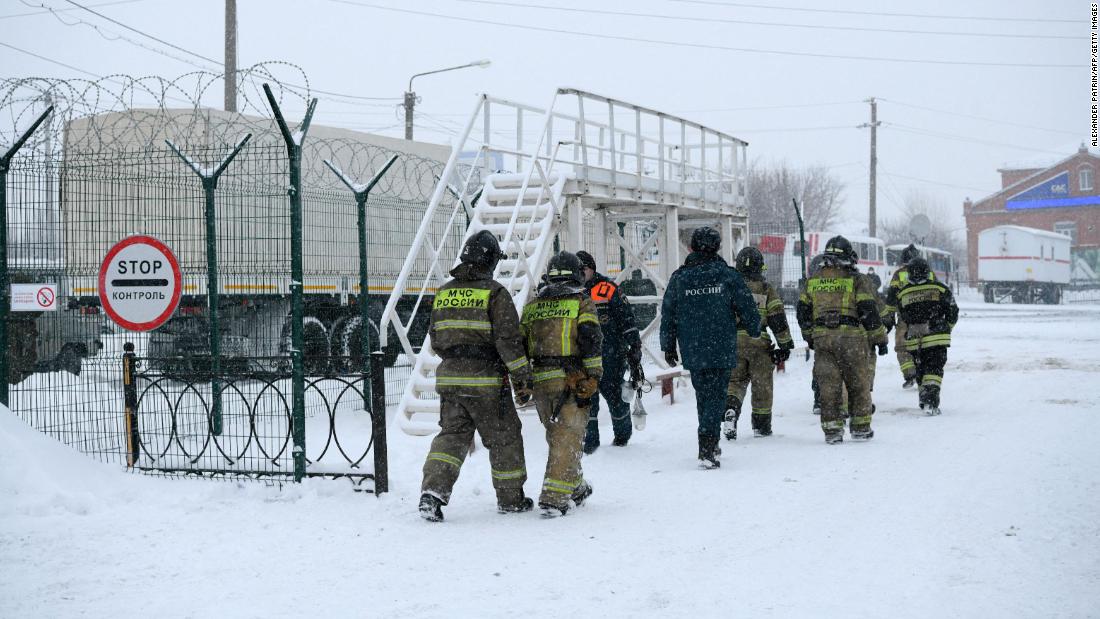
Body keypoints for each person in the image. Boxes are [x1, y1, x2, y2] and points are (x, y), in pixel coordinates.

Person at [418, 231, 535, 522]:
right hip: (486, 382)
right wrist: (522, 376)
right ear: (490, 260)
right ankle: (510, 499)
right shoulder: (495, 293)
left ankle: (432, 493)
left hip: (450, 380)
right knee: (504, 437)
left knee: (451, 438)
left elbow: (435, 338)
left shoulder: (444, 292)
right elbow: (508, 341)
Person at [660, 227, 760, 468]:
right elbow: (746, 306)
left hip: (693, 347)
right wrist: (754, 328)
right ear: (717, 247)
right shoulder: (727, 275)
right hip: (721, 346)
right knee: (716, 395)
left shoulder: (680, 278)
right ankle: (707, 447)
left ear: (692, 247)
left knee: (704, 395)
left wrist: (668, 346)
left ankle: (709, 441)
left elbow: (669, 313)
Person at [520, 251, 603, 517]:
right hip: (571, 378)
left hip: (541, 382)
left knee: (559, 436)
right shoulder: (581, 301)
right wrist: (593, 376)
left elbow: (519, 345)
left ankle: (576, 487)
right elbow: (591, 338)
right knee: (568, 438)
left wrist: (521, 383)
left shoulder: (532, 305)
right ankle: (553, 499)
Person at [796, 236, 888, 444]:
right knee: (858, 383)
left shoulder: (814, 280)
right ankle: (861, 427)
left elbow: (802, 312)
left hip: (823, 339)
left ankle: (832, 430)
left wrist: (810, 335)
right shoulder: (857, 279)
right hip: (851, 339)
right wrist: (879, 338)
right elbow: (868, 310)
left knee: (828, 385)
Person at [575, 250, 643, 454]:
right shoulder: (572, 292)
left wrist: (634, 345)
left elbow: (626, 318)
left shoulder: (607, 289)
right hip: (583, 357)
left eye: (583, 269)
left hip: (610, 354)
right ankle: (590, 441)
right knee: (587, 400)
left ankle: (622, 436)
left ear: (592, 269)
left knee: (615, 396)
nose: (579, 273)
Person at [724, 246, 794, 440]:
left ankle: (730, 410)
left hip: (732, 343)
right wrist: (785, 345)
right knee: (762, 385)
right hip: (759, 344)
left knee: (735, 382)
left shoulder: (728, 288)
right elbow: (777, 318)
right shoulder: (766, 289)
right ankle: (761, 426)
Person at [886, 257, 958, 415]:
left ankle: (923, 397)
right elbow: (953, 310)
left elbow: (902, 315)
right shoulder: (940, 288)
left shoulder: (903, 292)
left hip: (914, 339)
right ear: (928, 272)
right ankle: (931, 402)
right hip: (937, 338)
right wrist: (947, 327)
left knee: (921, 368)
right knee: (934, 368)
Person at [883, 244, 923, 389]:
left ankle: (910, 374)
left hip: (905, 318)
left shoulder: (899, 274)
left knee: (902, 346)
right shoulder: (929, 273)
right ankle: (923, 374)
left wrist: (889, 316)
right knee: (924, 346)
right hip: (927, 317)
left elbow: (892, 296)